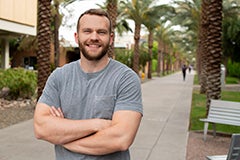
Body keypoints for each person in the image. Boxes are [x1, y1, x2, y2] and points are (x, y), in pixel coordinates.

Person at [34, 9, 143, 160]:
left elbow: (121, 139)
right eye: (87, 31)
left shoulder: (126, 79)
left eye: (101, 32)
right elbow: (41, 128)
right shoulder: (59, 77)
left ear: (111, 38)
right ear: (76, 36)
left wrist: (63, 136)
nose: (94, 37)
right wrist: (97, 124)